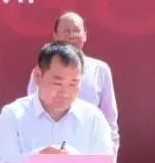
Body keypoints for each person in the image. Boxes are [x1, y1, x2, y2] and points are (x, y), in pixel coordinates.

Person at [0, 41, 115, 163]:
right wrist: (40, 159)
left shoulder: (94, 118)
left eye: (73, 84)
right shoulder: (13, 114)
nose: (65, 93)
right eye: (57, 83)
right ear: (38, 76)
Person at [26, 11, 119, 152]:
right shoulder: (42, 71)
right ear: (55, 35)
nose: (71, 36)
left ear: (85, 35)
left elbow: (110, 119)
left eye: (76, 31)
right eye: (66, 31)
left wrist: (109, 158)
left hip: (87, 151)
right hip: (47, 151)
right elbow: (32, 112)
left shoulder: (100, 69)